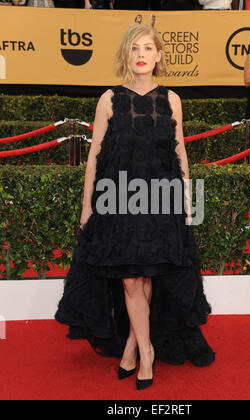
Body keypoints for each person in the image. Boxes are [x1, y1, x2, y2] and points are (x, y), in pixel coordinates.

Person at [55, 22, 215, 391]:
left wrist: (189, 204)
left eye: (148, 49)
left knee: (147, 276)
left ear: (159, 56)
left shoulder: (171, 100)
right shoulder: (109, 100)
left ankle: (130, 346)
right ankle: (146, 352)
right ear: (126, 55)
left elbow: (180, 154)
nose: (141, 55)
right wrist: (87, 206)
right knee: (130, 280)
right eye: (135, 49)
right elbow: (94, 156)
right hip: (118, 201)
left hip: (162, 199)